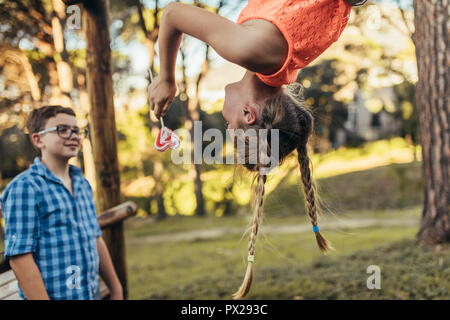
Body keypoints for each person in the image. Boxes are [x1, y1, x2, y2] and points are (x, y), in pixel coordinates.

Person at [148, 0, 366, 299]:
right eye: (233, 132)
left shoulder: (284, 63)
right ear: (248, 115)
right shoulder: (247, 50)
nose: (227, 126)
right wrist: (166, 79)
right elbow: (172, 13)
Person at [0, 105, 123, 300]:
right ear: (38, 139)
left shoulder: (82, 184)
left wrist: (116, 289)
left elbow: (95, 238)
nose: (73, 135)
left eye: (77, 130)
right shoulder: (25, 188)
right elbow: (20, 259)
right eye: (62, 129)